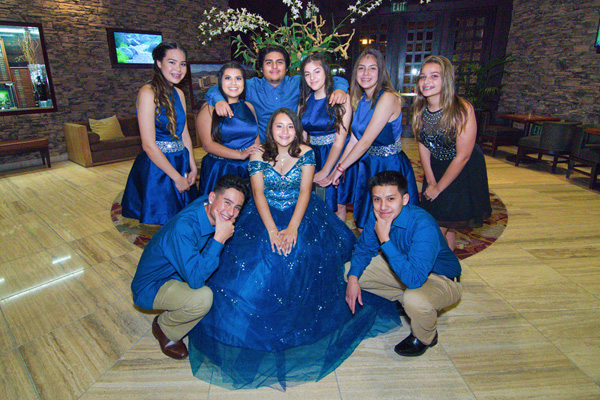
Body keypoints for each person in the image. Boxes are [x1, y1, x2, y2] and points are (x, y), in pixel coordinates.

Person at [188, 109, 399, 390]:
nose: (285, 132)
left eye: (290, 126)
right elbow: (258, 194)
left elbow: (304, 192)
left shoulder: (307, 152)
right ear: (270, 129)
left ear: (297, 129)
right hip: (264, 215)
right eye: (279, 126)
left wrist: (293, 228)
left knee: (303, 254)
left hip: (301, 214)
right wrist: (272, 230)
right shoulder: (258, 154)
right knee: (258, 258)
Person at [131, 174, 249, 360]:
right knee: (203, 298)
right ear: (212, 197)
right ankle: (164, 328)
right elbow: (195, 280)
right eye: (227, 202)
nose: (231, 212)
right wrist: (219, 239)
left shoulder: (207, 207)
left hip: (179, 272)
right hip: (152, 286)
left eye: (237, 207)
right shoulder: (184, 228)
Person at [345, 170, 462, 357]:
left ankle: (426, 336)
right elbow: (364, 249)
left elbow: (415, 279)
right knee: (349, 272)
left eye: (391, 199)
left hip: (441, 278)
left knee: (415, 299)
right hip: (406, 267)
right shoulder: (377, 215)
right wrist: (352, 279)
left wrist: (385, 240)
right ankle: (404, 300)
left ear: (405, 199)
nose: (383, 207)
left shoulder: (423, 224)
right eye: (377, 199)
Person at [327, 48, 419, 230]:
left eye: (372, 68)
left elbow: (366, 141)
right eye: (361, 68)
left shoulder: (388, 97)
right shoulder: (362, 100)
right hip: (370, 163)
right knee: (366, 223)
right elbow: (355, 139)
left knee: (390, 223)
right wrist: (337, 168)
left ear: (381, 72)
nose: (365, 73)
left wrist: (340, 169)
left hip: (389, 165)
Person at [412, 55, 492, 250]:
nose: (426, 81)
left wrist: (438, 188)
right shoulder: (420, 108)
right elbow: (423, 145)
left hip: (461, 170)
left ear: (446, 80)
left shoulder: (462, 109)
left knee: (438, 227)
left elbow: (463, 156)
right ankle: (449, 264)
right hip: (436, 166)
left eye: (434, 76)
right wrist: (431, 181)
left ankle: (435, 263)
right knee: (442, 222)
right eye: (423, 76)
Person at [121, 41, 198, 225]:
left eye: (182, 64)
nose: (178, 69)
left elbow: (184, 134)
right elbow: (148, 144)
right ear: (158, 63)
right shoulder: (147, 93)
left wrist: (193, 166)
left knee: (185, 221)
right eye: (172, 62)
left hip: (180, 160)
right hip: (158, 167)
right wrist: (176, 177)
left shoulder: (179, 93)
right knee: (162, 223)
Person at [205, 45, 349, 142]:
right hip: (261, 150)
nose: (274, 67)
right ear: (261, 69)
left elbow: (332, 79)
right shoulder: (251, 86)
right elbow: (216, 88)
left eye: (279, 62)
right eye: (268, 63)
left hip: (293, 150)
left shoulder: (298, 83)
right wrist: (219, 100)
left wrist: (339, 89)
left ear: (286, 68)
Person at [298, 53, 355, 220]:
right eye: (307, 74)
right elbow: (301, 139)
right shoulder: (304, 100)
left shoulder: (341, 99)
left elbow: (339, 141)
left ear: (326, 72)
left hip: (337, 154)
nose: (312, 78)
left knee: (337, 205)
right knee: (313, 203)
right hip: (314, 155)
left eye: (317, 71)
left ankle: (339, 237)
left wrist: (326, 171)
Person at [196, 61, 261, 195]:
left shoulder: (249, 106)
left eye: (238, 78)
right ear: (220, 82)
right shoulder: (209, 108)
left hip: (247, 167)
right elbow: (208, 145)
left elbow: (256, 138)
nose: (233, 83)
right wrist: (240, 155)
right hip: (221, 168)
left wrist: (257, 160)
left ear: (244, 82)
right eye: (228, 78)